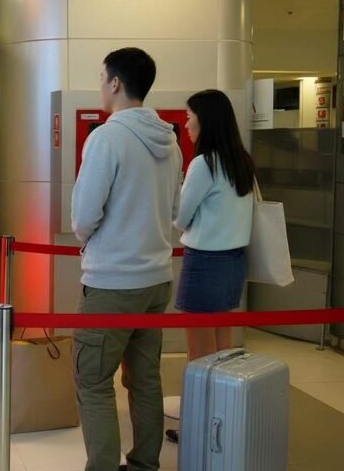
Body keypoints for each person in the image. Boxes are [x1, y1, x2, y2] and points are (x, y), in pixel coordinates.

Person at [71, 48, 182, 471]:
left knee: (93, 380)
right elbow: (175, 207)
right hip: (156, 278)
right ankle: (144, 464)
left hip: (112, 283)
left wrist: (93, 236)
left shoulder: (107, 137)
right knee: (145, 379)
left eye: (101, 77)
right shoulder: (169, 140)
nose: (100, 84)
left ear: (115, 82)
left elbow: (83, 217)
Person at [165, 89, 255, 445]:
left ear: (206, 119)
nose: (185, 124)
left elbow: (181, 217)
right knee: (223, 352)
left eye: (189, 117)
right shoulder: (241, 161)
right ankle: (223, 423)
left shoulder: (204, 164)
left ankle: (197, 430)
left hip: (204, 262)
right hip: (233, 261)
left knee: (199, 354)